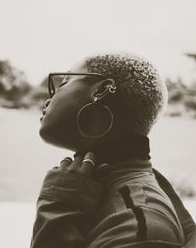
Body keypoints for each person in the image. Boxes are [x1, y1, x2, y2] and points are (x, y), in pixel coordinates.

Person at [30, 52, 196, 248]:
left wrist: (58, 210)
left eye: (64, 82)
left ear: (100, 91)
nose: (49, 98)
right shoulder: (107, 188)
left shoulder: (136, 225)